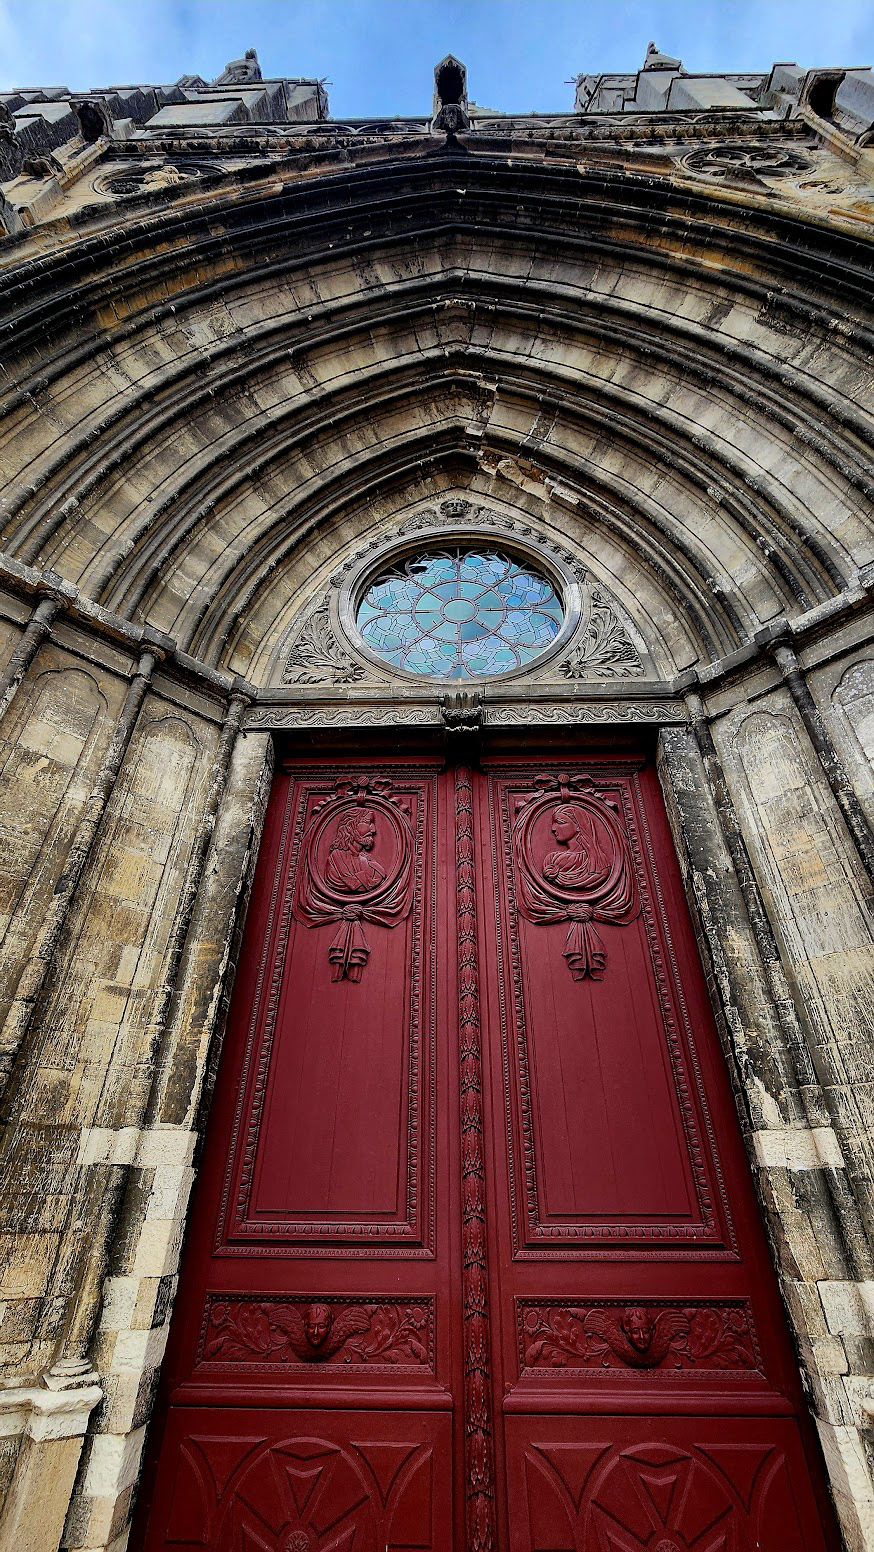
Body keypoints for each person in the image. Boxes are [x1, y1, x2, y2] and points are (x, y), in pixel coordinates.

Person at [541, 803, 612, 893]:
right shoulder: (552, 859)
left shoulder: (600, 863)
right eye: (553, 823)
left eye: (560, 822)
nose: (553, 828)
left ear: (578, 825)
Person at [324, 809, 385, 893]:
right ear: (350, 827)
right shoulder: (337, 857)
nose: (373, 830)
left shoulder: (366, 859)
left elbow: (380, 876)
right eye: (367, 822)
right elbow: (358, 885)